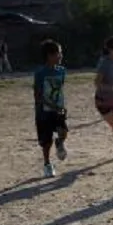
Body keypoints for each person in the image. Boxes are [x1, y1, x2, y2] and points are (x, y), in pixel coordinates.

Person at [33, 39, 69, 178]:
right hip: (43, 112)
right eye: (59, 53)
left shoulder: (62, 71)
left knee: (64, 131)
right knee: (46, 141)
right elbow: (38, 95)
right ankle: (47, 164)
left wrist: (62, 106)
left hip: (58, 109)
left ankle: (59, 143)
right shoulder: (40, 73)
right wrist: (51, 105)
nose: (61, 56)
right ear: (49, 55)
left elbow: (60, 90)